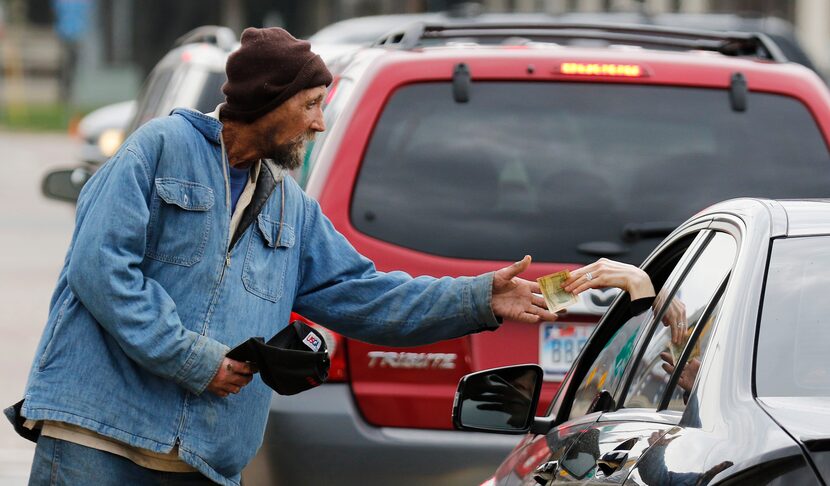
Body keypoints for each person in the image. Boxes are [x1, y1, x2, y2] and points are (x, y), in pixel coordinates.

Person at [5, 28, 557, 486]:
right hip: (98, 441)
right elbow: (101, 270)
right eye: (312, 105)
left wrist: (479, 297)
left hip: (202, 461)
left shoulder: (291, 207)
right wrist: (194, 360)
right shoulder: (159, 149)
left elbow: (369, 296)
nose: (320, 122)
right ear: (269, 99)